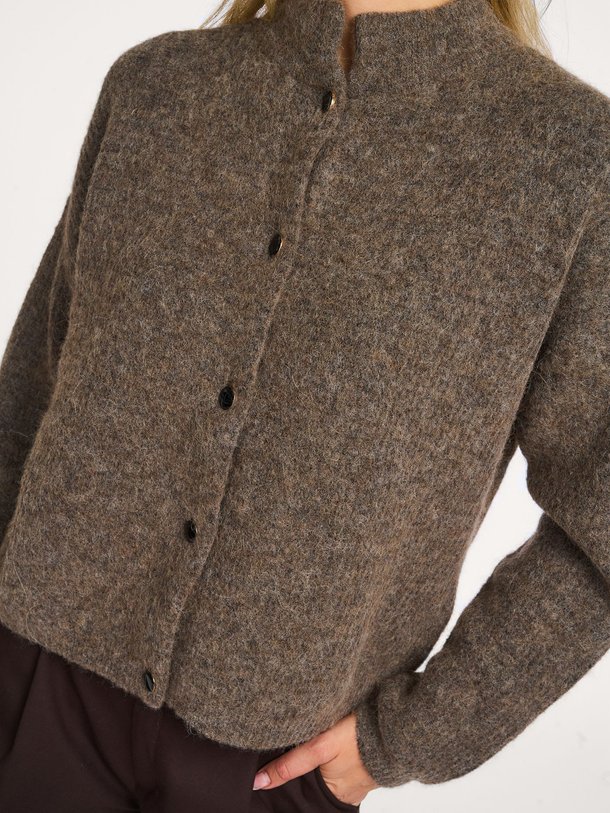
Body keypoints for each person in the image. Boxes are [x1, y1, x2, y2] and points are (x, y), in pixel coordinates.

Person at [0, 0, 608, 810]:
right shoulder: (157, 88)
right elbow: (31, 390)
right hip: (35, 681)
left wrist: (410, 736)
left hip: (279, 768)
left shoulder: (569, 162)